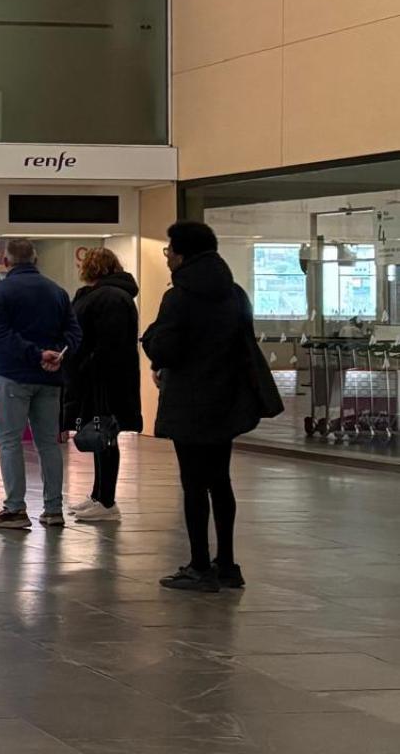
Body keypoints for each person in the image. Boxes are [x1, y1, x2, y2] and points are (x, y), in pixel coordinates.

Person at [144, 222, 277, 593]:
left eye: (169, 250)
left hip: (189, 400)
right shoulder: (234, 293)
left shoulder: (180, 296)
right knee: (220, 480)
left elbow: (165, 348)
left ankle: (199, 565)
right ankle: (228, 564)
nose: (167, 256)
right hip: (228, 400)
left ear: (182, 254)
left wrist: (151, 344)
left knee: (192, 484)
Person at [0, 239, 81, 530]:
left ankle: (15, 509)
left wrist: (35, 355)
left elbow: (0, 335)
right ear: (35, 259)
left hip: (13, 376)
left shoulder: (0, 291)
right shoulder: (57, 291)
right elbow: (74, 331)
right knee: (48, 444)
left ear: (6, 261)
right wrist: (58, 355)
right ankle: (53, 509)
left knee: (10, 441)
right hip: (50, 379)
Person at [61, 248, 141, 523]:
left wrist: (84, 367)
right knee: (100, 435)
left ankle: (107, 500)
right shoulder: (112, 296)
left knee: (105, 436)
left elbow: (108, 344)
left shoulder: (108, 298)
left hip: (104, 381)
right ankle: (99, 495)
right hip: (103, 379)